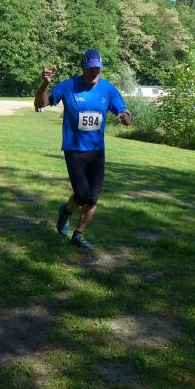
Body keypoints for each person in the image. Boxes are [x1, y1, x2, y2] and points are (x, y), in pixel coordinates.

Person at [35, 49, 132, 250]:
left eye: (98, 68)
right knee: (82, 195)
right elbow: (40, 104)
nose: (94, 71)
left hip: (97, 151)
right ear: (82, 67)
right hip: (74, 149)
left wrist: (125, 117)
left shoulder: (108, 89)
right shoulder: (68, 86)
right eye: (90, 68)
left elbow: (125, 113)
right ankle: (65, 211)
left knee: (92, 198)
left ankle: (78, 234)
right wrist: (45, 84)